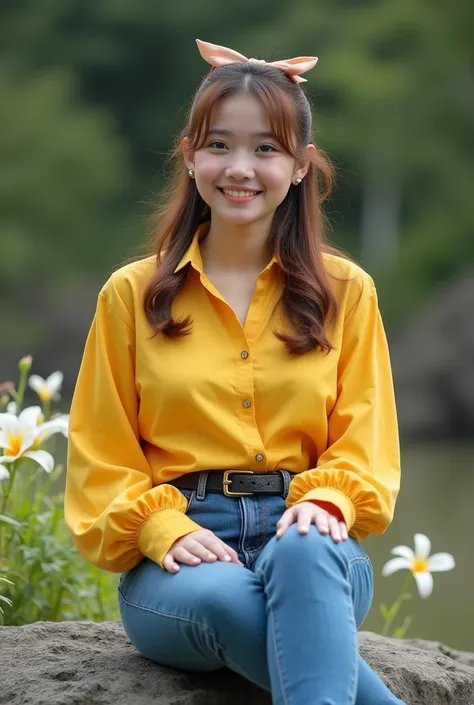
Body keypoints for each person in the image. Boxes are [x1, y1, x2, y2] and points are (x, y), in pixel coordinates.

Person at [64, 38, 405, 705]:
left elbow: (367, 442)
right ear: (189, 156)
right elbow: (99, 458)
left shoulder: (348, 291)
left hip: (310, 543)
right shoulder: (130, 295)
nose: (240, 168)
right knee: (224, 595)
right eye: (219, 145)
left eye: (266, 149)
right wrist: (163, 528)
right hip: (181, 558)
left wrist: (325, 500)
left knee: (305, 551)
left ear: (301, 166)